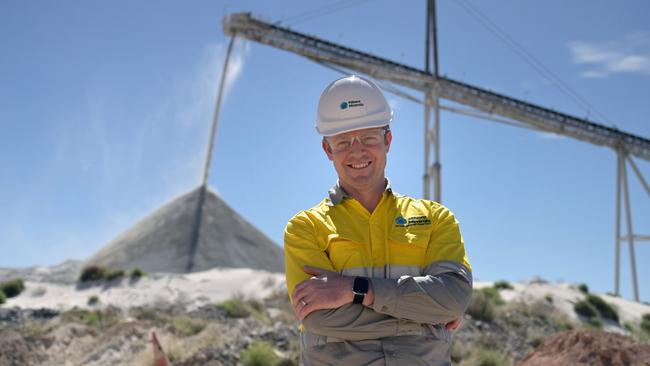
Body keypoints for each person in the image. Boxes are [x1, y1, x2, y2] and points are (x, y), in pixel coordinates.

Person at [284, 75, 472, 366]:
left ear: (388, 141)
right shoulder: (306, 228)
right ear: (327, 150)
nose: (357, 151)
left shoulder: (436, 219)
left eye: (369, 138)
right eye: (343, 141)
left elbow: (453, 298)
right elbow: (320, 317)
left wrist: (355, 290)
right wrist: (424, 317)